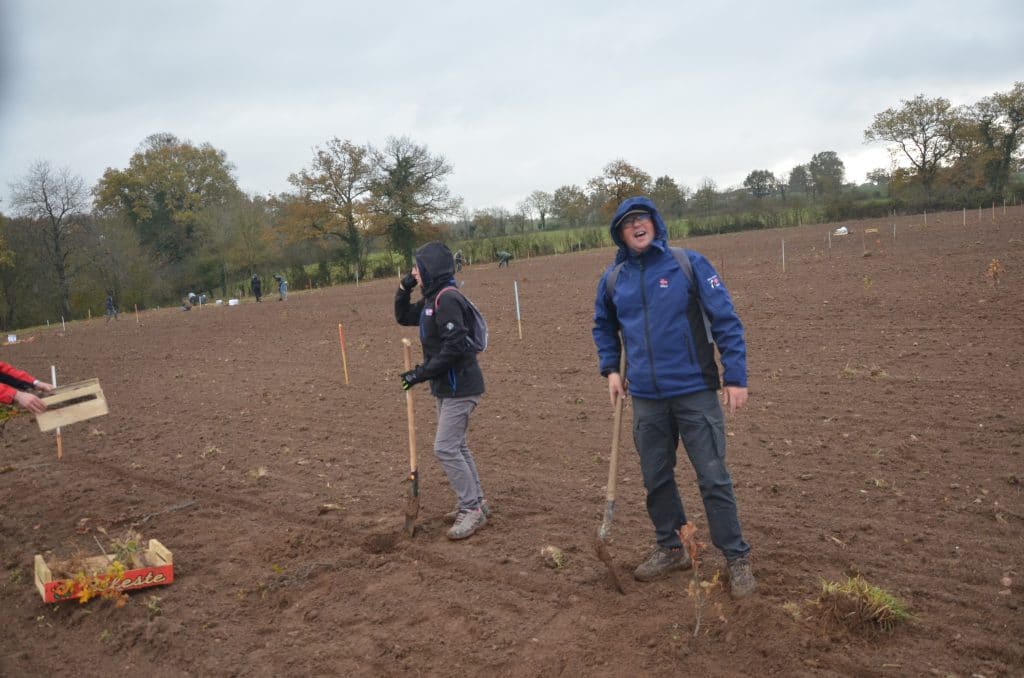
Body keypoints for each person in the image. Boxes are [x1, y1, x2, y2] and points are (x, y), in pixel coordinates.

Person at [592, 196, 757, 598]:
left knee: (713, 477)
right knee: (656, 479)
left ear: (655, 223)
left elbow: (726, 320)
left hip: (694, 391)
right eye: (628, 222)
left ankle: (736, 558)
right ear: (620, 233)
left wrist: (734, 376)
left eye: (642, 218)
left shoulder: (688, 264)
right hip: (646, 397)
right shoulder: (615, 280)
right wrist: (612, 369)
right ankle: (671, 547)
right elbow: (603, 325)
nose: (636, 226)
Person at [394, 242, 490, 540]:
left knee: (445, 447)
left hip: (461, 386)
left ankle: (471, 509)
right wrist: (404, 286)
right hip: (446, 388)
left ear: (430, 269)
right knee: (457, 446)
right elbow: (401, 316)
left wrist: (418, 374)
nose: (414, 272)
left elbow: (454, 348)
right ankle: (478, 503)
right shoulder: (430, 300)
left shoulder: (447, 300)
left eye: (417, 268)